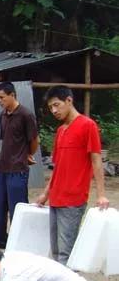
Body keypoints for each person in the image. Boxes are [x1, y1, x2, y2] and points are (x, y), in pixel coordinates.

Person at [35, 85, 110, 264]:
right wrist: (46, 193)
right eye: (51, 107)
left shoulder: (87, 125)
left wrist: (101, 195)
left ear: (69, 101)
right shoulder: (61, 131)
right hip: (56, 197)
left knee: (66, 254)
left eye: (57, 105)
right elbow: (57, 166)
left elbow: (96, 161)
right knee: (55, 251)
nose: (54, 110)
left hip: (73, 199)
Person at [0, 82, 39, 248]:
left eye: (2, 97)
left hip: (18, 169)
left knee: (16, 208)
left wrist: (27, 155)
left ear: (12, 95)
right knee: (0, 206)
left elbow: (34, 141)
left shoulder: (26, 115)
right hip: (2, 168)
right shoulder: (3, 115)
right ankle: (0, 240)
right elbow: (6, 140)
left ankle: (18, 241)